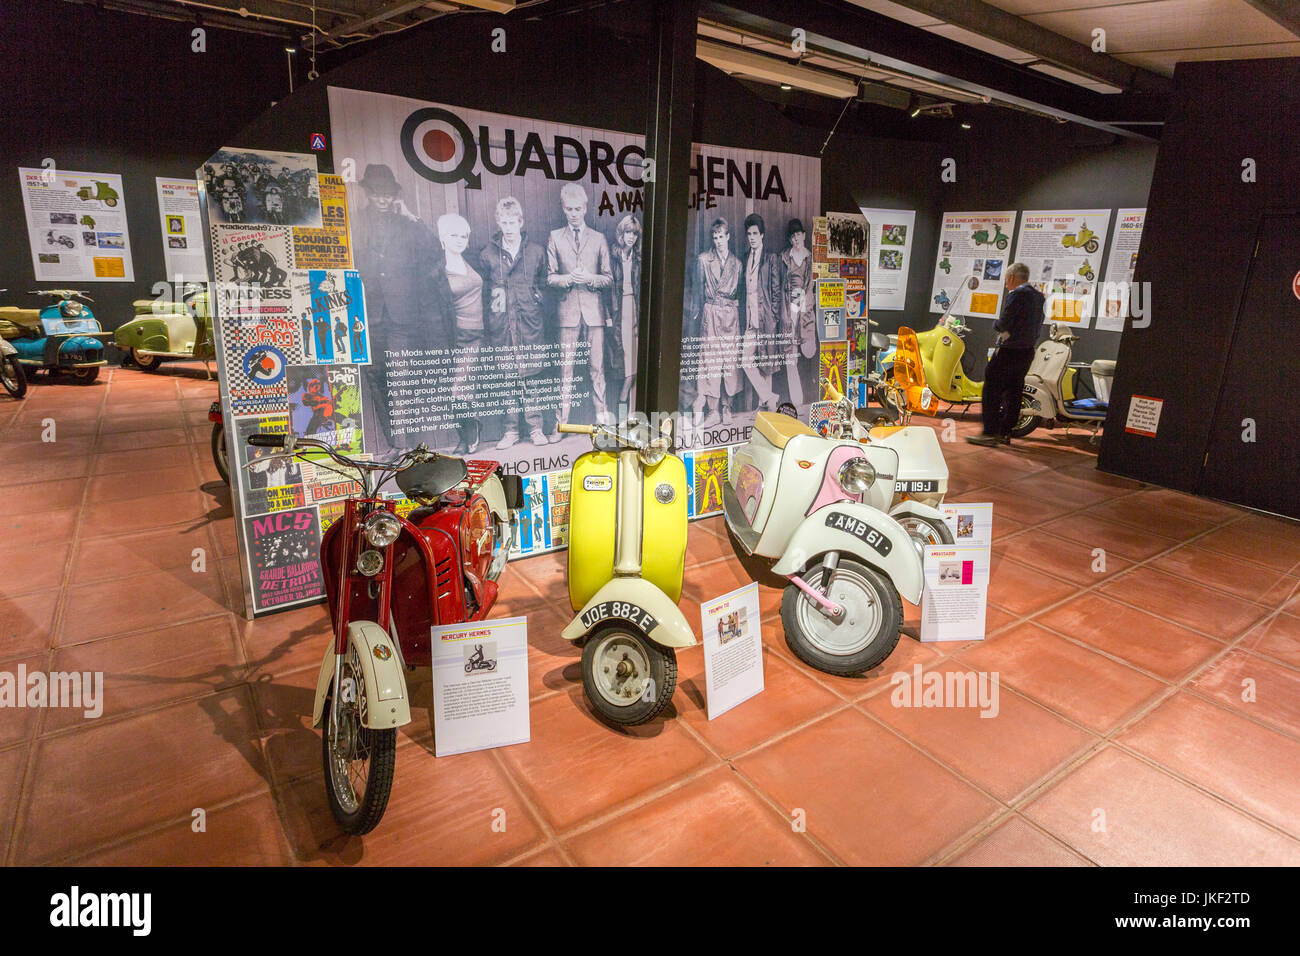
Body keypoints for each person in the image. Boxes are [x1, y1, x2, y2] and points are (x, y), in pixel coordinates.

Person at [351, 163, 449, 450]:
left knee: (401, 379)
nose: (382, 199)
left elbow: (434, 251)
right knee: (375, 378)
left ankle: (404, 444)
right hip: (367, 316)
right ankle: (395, 443)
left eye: (387, 194)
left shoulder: (407, 225)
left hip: (401, 317)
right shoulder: (356, 222)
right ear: (367, 193)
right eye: (376, 193)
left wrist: (412, 216)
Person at [479, 196, 549, 448]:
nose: (508, 227)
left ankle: (535, 429)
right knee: (508, 380)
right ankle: (510, 431)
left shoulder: (536, 251)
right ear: (498, 222)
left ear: (521, 222)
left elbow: (544, 286)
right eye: (504, 222)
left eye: (513, 222)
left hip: (529, 325)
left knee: (530, 380)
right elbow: (485, 294)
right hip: (502, 327)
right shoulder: (488, 255)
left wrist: (534, 300)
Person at [546, 183, 613, 433]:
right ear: (563, 209)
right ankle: (560, 426)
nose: (573, 213)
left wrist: (589, 279)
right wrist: (568, 279)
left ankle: (603, 424)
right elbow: (549, 277)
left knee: (598, 369)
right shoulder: (554, 236)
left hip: (594, 314)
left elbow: (608, 278)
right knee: (565, 371)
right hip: (567, 315)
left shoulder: (598, 238)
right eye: (569, 209)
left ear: (585, 208)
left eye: (577, 209)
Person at [968, 261, 1045, 446]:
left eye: (1005, 279)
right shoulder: (1038, 296)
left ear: (1011, 277)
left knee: (992, 390)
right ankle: (1005, 431)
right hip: (1026, 351)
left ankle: (989, 433)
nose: (1005, 283)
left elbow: (1004, 323)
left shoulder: (1017, 294)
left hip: (1009, 350)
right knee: (1014, 391)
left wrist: (995, 324)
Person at [438, 213, 485, 455]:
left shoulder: (473, 261)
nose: (459, 240)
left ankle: (470, 433)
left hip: (476, 336)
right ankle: (468, 432)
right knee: (456, 391)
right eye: (453, 235)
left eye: (463, 236)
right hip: (453, 337)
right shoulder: (438, 271)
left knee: (463, 388)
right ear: (442, 238)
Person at [692, 217, 743, 428]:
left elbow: (739, 291)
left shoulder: (737, 263)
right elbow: (697, 289)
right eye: (715, 237)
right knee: (710, 362)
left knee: (730, 361)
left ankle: (726, 407)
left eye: (721, 236)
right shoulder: (703, 260)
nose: (718, 241)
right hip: (711, 312)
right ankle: (712, 411)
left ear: (728, 236)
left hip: (730, 314)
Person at [738, 213, 784, 412]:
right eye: (749, 234)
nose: (752, 237)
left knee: (766, 363)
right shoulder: (745, 257)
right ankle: (768, 397)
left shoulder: (770, 258)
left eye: (755, 233)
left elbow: (776, 291)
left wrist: (773, 317)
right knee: (746, 360)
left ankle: (765, 406)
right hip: (749, 318)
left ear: (762, 235)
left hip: (766, 318)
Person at [608, 214, 641, 411]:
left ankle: (629, 413)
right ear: (622, 233)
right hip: (619, 310)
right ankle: (621, 411)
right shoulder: (613, 256)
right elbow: (607, 289)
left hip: (635, 308)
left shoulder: (638, 257)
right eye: (629, 232)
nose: (631, 237)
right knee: (628, 367)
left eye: (635, 234)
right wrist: (608, 315)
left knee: (636, 365)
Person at [779, 219, 812, 405]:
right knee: (790, 357)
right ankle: (797, 402)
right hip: (788, 311)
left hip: (805, 313)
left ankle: (805, 400)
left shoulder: (810, 259)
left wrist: (804, 303)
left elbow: (811, 288)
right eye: (792, 236)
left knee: (806, 352)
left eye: (798, 234)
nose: (796, 239)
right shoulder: (784, 257)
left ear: (804, 235)